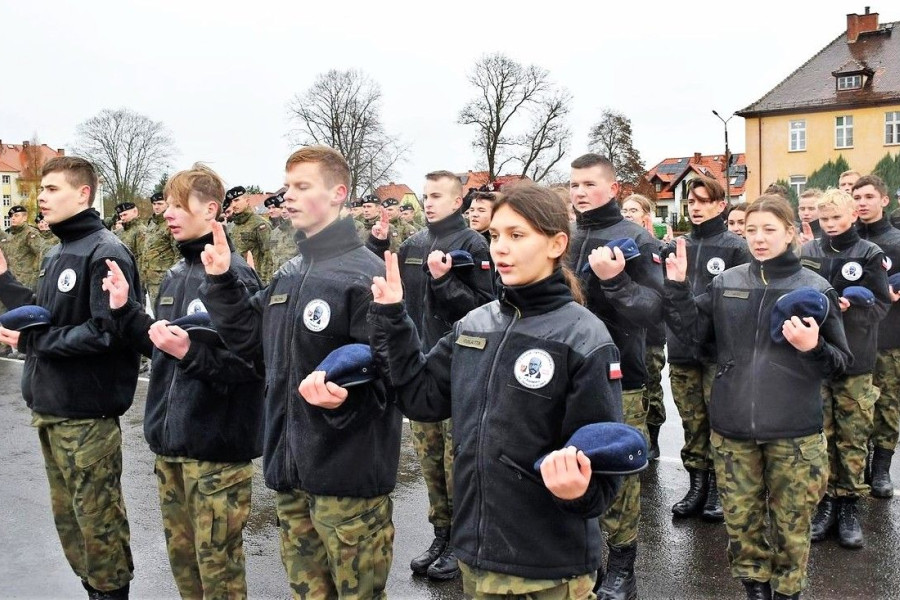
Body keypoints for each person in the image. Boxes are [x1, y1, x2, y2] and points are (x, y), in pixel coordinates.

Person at [366, 183, 623, 599]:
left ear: (557, 243)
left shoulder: (584, 337)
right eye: (496, 235)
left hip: (549, 567)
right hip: (480, 556)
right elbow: (421, 398)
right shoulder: (474, 326)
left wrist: (582, 492)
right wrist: (394, 317)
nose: (501, 248)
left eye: (517, 236)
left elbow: (603, 461)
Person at [199, 146, 401, 598]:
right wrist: (222, 285)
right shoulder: (290, 273)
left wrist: (344, 402)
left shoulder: (365, 276)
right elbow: (253, 347)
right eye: (287, 185)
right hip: (291, 476)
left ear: (338, 194)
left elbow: (392, 379)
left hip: (347, 482)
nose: (287, 196)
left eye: (302, 186)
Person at [663, 194, 850, 600]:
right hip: (732, 432)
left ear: (792, 233)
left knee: (792, 525)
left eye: (769, 229)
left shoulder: (816, 288)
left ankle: (787, 592)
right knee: (741, 523)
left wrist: (813, 346)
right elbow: (694, 336)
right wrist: (677, 289)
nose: (759, 239)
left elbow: (839, 366)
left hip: (794, 434)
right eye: (751, 230)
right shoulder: (727, 282)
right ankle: (755, 589)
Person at [102, 163, 264, 599]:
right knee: (186, 570)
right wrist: (126, 312)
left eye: (179, 204)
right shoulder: (174, 275)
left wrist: (189, 353)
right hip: (171, 451)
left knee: (219, 575)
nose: (168, 213)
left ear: (211, 209)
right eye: (167, 205)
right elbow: (162, 347)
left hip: (215, 456)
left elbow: (250, 368)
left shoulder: (236, 279)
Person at [0, 156, 141, 599]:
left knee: (99, 524)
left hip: (86, 414)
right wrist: (3, 280)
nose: (41, 196)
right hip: (52, 407)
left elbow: (107, 334)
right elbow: (48, 313)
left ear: (83, 193)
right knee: (73, 526)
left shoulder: (105, 251)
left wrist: (33, 344)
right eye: (40, 189)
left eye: (53, 188)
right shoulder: (58, 250)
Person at [372, 169, 495, 581]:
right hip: (422, 366)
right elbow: (398, 301)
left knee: (456, 460)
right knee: (430, 462)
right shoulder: (414, 244)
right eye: (426, 195)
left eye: (438, 195)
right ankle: (440, 534)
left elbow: (485, 309)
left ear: (458, 201)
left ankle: (462, 544)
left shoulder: (474, 244)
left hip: (459, 369)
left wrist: (444, 282)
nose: (428, 202)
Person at [569, 154, 663, 599]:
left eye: (589, 184)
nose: (580, 192)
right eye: (574, 185)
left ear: (613, 189)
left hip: (620, 372)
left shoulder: (636, 238)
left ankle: (622, 563)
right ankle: (582, 558)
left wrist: (615, 283)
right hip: (566, 374)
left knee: (616, 470)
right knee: (571, 465)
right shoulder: (563, 237)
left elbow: (654, 309)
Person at [801, 188, 891, 549]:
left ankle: (850, 504)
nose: (831, 225)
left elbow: (882, 305)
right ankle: (825, 504)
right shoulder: (808, 252)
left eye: (837, 218)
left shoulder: (869, 253)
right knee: (822, 435)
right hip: (817, 357)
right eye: (825, 219)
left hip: (856, 358)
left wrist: (852, 308)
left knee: (853, 436)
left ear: (853, 215)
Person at [663, 176, 750, 523]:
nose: (695, 208)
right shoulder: (675, 246)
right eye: (691, 202)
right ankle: (697, 485)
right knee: (692, 422)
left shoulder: (735, 248)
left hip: (719, 350)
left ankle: (717, 488)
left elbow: (740, 298)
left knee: (719, 421)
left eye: (702, 201)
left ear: (720, 205)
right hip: (683, 347)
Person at [852, 175, 900, 498]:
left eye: (870, 196)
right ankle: (857, 465)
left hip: (890, 336)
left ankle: (881, 468)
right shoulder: (846, 240)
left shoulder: (897, 241)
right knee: (855, 407)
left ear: (884, 200)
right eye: (858, 197)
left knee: (887, 404)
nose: (863, 202)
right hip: (853, 338)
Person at [620, 193, 667, 460]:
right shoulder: (617, 243)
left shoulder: (655, 246)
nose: (628, 214)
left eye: (634, 210)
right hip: (626, 331)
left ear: (645, 216)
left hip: (651, 333)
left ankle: (653, 437)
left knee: (651, 384)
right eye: (624, 209)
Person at [138, 192, 180, 309]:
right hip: (150, 279)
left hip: (164, 279)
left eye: (160, 204)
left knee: (166, 313)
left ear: (167, 204)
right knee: (156, 312)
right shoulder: (152, 223)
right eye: (154, 204)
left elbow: (178, 254)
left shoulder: (170, 224)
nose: (156, 207)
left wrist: (174, 279)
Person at [226, 185, 273, 286]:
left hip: (254, 280)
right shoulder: (231, 227)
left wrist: (264, 283)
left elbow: (268, 255)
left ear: (247, 201)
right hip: (235, 280)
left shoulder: (260, 224)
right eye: (231, 202)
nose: (233, 205)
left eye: (236, 200)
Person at [1, 205, 44, 290]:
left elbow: (41, 254)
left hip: (24, 283)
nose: (13, 218)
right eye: (11, 216)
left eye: (16, 216)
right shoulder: (11, 236)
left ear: (25, 217)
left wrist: (35, 278)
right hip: (9, 281)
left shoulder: (30, 233)